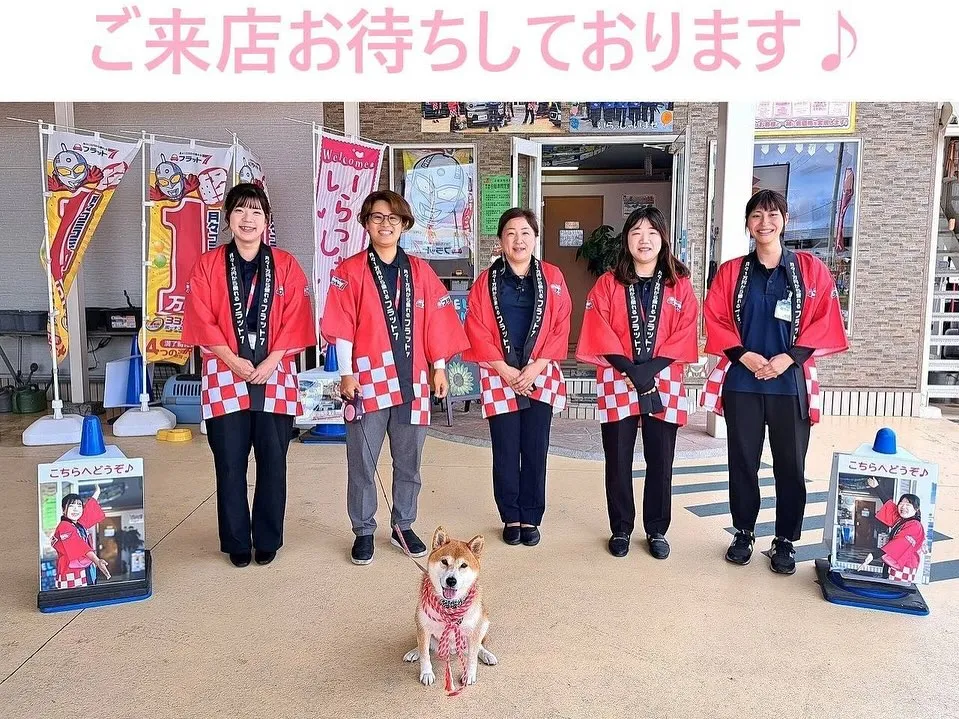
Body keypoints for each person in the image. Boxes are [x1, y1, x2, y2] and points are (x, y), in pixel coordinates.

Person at [701, 189, 849, 575]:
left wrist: (789, 358)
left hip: (789, 382)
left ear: (785, 220)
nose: (764, 222)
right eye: (756, 215)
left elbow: (825, 317)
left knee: (790, 465)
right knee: (742, 462)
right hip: (743, 382)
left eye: (772, 214)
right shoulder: (732, 271)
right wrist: (743, 355)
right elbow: (714, 316)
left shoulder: (810, 269)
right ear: (747, 224)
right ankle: (744, 532)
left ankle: (785, 539)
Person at [321, 190, 469, 566]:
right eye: (377, 217)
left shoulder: (420, 271)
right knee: (362, 460)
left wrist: (439, 368)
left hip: (414, 380)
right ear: (366, 223)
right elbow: (342, 327)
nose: (385, 224)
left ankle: (403, 525)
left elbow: (437, 322)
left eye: (393, 218)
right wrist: (346, 373)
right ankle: (363, 530)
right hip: (366, 379)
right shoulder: (350, 271)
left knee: (409, 461)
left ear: (404, 224)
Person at [182, 182, 315, 568]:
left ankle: (268, 538)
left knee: (273, 462)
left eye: (256, 211)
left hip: (276, 372)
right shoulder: (208, 265)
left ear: (267, 220)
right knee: (229, 463)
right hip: (224, 372)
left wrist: (272, 360)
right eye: (240, 210)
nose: (248, 218)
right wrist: (232, 359)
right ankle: (237, 540)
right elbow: (200, 317)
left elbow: (297, 317)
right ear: (228, 218)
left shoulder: (286, 265)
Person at [576, 207, 699, 558]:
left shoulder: (679, 284)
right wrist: (632, 371)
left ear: (663, 239)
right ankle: (621, 528)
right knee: (617, 459)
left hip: (664, 381)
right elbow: (598, 329)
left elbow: (685, 331)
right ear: (626, 239)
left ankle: (657, 529)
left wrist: (648, 371)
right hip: (618, 379)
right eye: (636, 232)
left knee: (661, 460)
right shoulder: (608, 283)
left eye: (652, 232)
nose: (644, 240)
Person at [463, 208, 571, 547]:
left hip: (540, 373)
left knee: (536, 448)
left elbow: (561, 324)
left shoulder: (553, 277)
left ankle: (531, 516)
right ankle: (511, 515)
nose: (518, 240)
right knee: (506, 450)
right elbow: (476, 327)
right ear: (500, 241)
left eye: (525, 232)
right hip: (500, 375)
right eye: (510, 233)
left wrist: (535, 367)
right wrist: (505, 369)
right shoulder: (485, 282)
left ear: (535, 238)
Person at [859, 478, 926, 582]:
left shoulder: (915, 525)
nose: (903, 507)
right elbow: (889, 506)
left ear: (916, 509)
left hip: (903, 567)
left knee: (893, 588)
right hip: (892, 562)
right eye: (901, 504)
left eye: (908, 505)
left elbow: (900, 543)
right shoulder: (901, 520)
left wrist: (874, 555)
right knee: (886, 584)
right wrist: (877, 487)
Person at [50, 485, 111, 589]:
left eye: (79, 506)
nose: (76, 509)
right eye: (72, 506)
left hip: (85, 568)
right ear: (63, 509)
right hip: (72, 572)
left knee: (88, 593)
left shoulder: (78, 524)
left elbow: (88, 511)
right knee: (76, 596)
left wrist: (97, 493)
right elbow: (78, 545)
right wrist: (97, 560)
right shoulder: (64, 526)